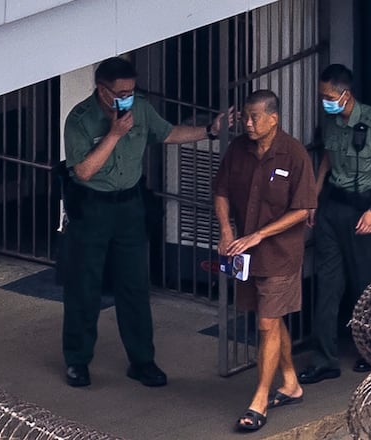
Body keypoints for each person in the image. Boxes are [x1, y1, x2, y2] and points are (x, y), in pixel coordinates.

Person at [62, 57, 232, 388]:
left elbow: (167, 133)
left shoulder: (139, 108)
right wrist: (114, 134)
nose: (128, 97)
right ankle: (77, 360)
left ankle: (142, 360)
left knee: (135, 285)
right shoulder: (80, 119)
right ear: (102, 90)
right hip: (92, 207)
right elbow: (83, 171)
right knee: (84, 286)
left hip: (129, 206)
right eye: (121, 93)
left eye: (131, 90)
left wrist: (210, 131)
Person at [213, 90, 317, 431]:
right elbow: (221, 191)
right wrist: (226, 230)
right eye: (245, 116)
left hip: (281, 254)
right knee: (269, 318)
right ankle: (291, 383)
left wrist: (260, 234)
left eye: (254, 117)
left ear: (274, 119)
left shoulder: (294, 154)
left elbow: (303, 209)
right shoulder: (238, 149)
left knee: (267, 324)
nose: (247, 123)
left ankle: (259, 400)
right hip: (245, 252)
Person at [297, 64, 371, 384]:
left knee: (364, 285)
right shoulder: (331, 122)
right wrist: (314, 199)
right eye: (322, 97)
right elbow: (327, 160)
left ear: (346, 94)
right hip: (333, 207)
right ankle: (324, 360)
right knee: (328, 286)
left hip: (362, 209)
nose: (325, 102)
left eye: (329, 97)